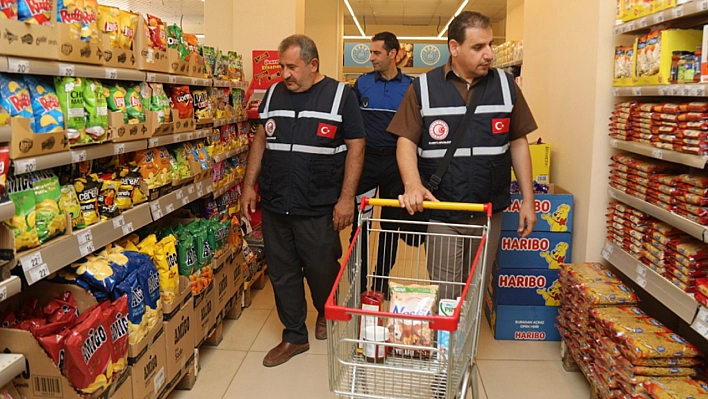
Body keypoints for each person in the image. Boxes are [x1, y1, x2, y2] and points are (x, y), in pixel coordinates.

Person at [388, 11, 538, 300]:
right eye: (478, 47)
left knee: (477, 288)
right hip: (443, 209)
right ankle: (447, 345)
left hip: (488, 210)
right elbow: (405, 140)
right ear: (454, 48)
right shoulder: (424, 88)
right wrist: (412, 184)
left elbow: (519, 141)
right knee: (446, 292)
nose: (489, 54)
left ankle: (463, 344)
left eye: (491, 45)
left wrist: (528, 201)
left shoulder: (507, 87)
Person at [241, 34, 366, 367]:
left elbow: (356, 145)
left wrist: (346, 199)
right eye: (281, 66)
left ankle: (326, 310)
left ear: (313, 65)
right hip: (276, 201)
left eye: (291, 67)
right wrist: (248, 185)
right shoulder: (273, 94)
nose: (285, 74)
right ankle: (294, 335)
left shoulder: (341, 96)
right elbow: (261, 140)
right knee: (282, 272)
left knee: (322, 268)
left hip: (319, 203)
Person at [351, 32, 412, 297]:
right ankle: (359, 278)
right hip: (365, 163)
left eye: (376, 53)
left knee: (390, 225)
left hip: (395, 165)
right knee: (361, 222)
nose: (371, 57)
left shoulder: (411, 87)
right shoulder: (362, 84)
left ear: (393, 54)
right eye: (371, 52)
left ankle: (380, 282)